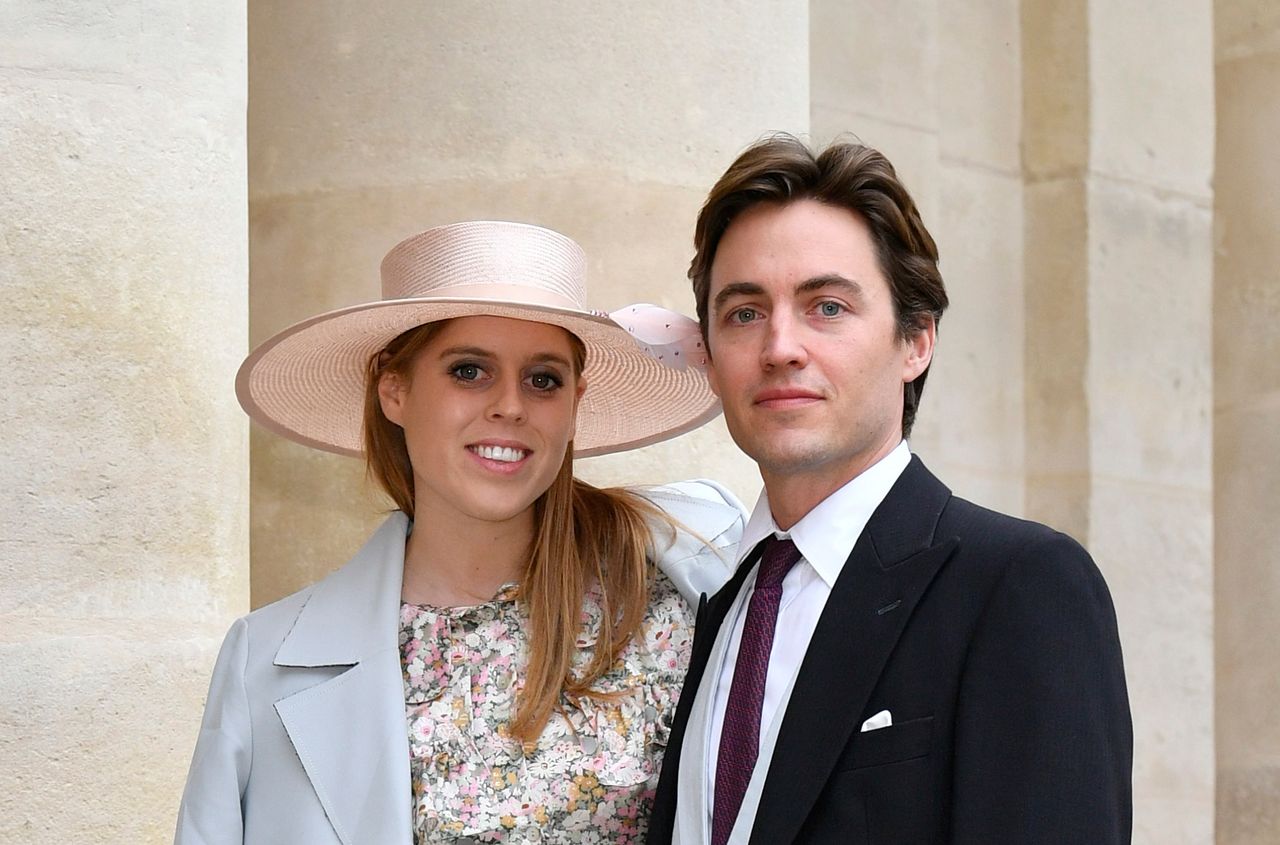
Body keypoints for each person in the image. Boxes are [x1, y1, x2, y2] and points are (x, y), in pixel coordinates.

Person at [175, 220, 746, 845]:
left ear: (575, 402)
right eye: (469, 371)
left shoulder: (674, 596)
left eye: (543, 379)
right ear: (393, 389)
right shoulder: (265, 659)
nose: (510, 406)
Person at [646, 136, 1133, 844]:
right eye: (744, 313)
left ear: (917, 341)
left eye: (828, 307)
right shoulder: (720, 605)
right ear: (714, 364)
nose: (780, 346)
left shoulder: (1019, 585)